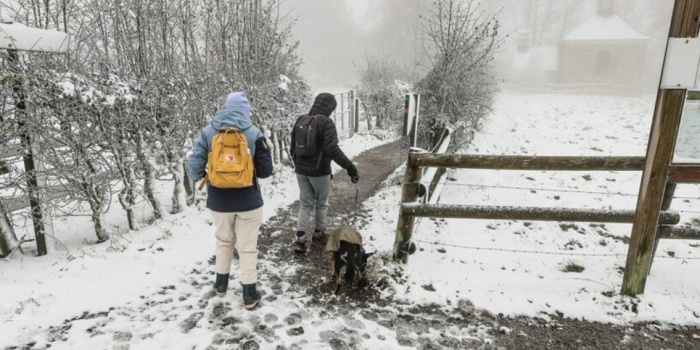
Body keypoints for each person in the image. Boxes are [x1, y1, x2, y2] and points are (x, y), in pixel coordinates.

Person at [187, 92, 273, 310]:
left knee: (224, 241)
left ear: (225, 107)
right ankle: (250, 295)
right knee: (247, 247)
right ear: (246, 111)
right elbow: (265, 171)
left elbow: (194, 167)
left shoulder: (208, 132)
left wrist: (209, 173)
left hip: (219, 200)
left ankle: (221, 286)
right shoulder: (254, 133)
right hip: (249, 201)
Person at [290, 92, 359, 252]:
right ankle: (318, 234)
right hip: (319, 172)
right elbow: (332, 149)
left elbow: (292, 148)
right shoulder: (326, 122)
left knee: (306, 204)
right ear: (329, 108)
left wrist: (299, 166)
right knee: (321, 204)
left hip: (301, 172)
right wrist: (350, 167)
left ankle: (299, 240)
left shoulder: (301, 120)